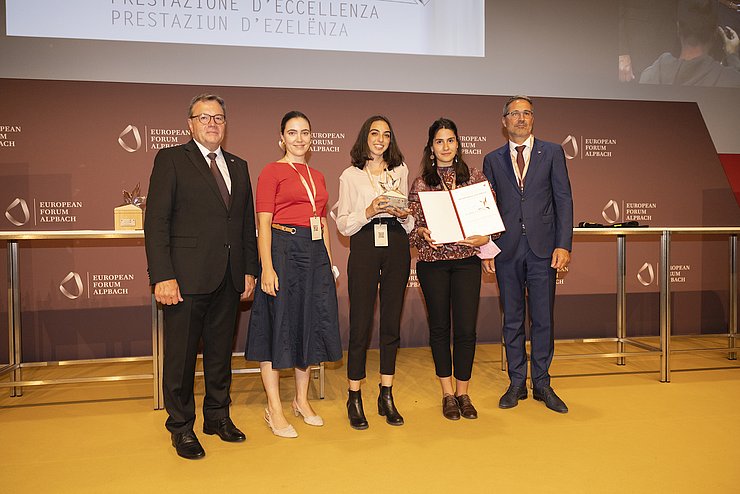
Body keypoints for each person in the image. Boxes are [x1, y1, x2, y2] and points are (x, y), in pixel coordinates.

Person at [144, 93, 258, 459]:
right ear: (189, 123)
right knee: (179, 360)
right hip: (184, 279)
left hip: (228, 277)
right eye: (204, 117)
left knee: (221, 355)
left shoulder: (239, 166)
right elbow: (157, 221)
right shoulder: (172, 159)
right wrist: (162, 275)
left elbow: (244, 225)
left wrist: (249, 270)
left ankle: (217, 417)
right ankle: (181, 428)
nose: (213, 123)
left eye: (219, 118)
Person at [246, 111, 343, 438]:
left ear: (311, 137)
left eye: (305, 132)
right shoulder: (271, 172)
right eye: (292, 132)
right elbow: (263, 223)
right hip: (282, 251)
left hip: (313, 254)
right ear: (281, 139)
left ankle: (301, 401)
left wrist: (328, 263)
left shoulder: (318, 176)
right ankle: (274, 408)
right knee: (275, 327)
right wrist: (267, 267)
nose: (299, 138)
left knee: (309, 325)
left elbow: (322, 223)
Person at [482, 95, 573, 414]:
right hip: (506, 250)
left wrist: (563, 244)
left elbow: (564, 200)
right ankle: (517, 381)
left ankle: (543, 383)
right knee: (513, 318)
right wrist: (487, 248)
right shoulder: (492, 159)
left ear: (533, 119)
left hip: (543, 249)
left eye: (527, 113)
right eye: (514, 114)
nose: (521, 118)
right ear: (504, 121)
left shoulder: (553, 152)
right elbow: (487, 209)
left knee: (543, 318)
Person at [408, 118, 492, 421]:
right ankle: (447, 393)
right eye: (439, 141)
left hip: (467, 262)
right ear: (431, 148)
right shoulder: (421, 183)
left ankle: (463, 392)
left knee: (467, 329)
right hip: (433, 264)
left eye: (451, 140)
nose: (446, 146)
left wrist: (486, 237)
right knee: (440, 328)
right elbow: (411, 229)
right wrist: (421, 234)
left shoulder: (475, 178)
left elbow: (490, 222)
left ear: (458, 144)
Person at [335, 115, 412, 429]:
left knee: (391, 322)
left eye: (386, 134)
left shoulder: (400, 170)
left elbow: (410, 223)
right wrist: (369, 210)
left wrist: (404, 214)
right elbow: (343, 224)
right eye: (374, 133)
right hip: (365, 243)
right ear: (364, 137)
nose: (380, 139)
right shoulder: (350, 175)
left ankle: (386, 393)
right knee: (361, 323)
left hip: (395, 241)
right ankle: (354, 396)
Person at [640, 0, 740, 87]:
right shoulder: (730, 81)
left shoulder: (650, 76)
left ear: (678, 29)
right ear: (715, 33)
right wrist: (732, 55)